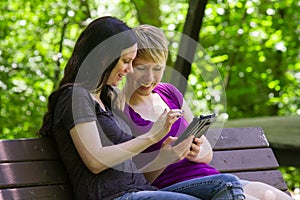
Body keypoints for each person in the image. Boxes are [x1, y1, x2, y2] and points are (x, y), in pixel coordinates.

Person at [38, 16, 245, 200]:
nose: (128, 70)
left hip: (140, 189)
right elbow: (95, 160)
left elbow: (130, 167)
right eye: (126, 61)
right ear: (104, 58)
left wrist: (165, 156)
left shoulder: (105, 99)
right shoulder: (75, 96)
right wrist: (151, 137)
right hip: (114, 196)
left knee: (227, 183)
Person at [122, 24, 293, 200]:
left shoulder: (169, 92)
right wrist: (165, 158)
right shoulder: (118, 107)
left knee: (272, 196)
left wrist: (197, 150)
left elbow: (207, 154)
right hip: (175, 188)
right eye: (141, 68)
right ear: (127, 64)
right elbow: (128, 181)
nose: (149, 78)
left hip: (212, 180)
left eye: (157, 69)